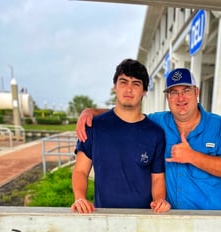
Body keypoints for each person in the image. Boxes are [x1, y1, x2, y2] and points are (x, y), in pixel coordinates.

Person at [76, 67, 221, 210]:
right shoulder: (158, 123)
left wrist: (193, 157)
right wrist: (91, 112)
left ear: (196, 92)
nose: (180, 98)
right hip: (168, 216)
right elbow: (128, 115)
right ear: (167, 97)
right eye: (174, 92)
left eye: (186, 91)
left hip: (211, 220)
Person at [71, 59, 170, 214]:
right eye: (123, 82)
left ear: (144, 91)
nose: (129, 89)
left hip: (143, 219)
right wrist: (80, 197)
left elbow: (157, 178)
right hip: (105, 217)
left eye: (136, 84)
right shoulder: (94, 127)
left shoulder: (155, 133)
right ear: (114, 87)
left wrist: (159, 200)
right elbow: (80, 171)